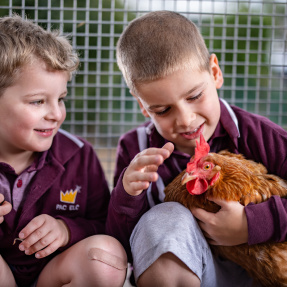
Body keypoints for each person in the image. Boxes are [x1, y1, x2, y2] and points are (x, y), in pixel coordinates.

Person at [106, 10, 287, 287]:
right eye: (163, 110)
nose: (186, 120)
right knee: (162, 219)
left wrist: (250, 224)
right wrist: (127, 196)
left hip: (265, 274)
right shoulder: (136, 151)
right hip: (189, 273)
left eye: (194, 96)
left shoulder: (263, 136)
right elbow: (124, 244)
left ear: (215, 73)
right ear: (142, 105)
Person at [0, 14, 127, 287]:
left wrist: (66, 230)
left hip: (53, 275)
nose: (56, 114)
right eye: (37, 102)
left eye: (60, 99)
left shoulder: (80, 155)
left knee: (106, 256)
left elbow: (105, 224)